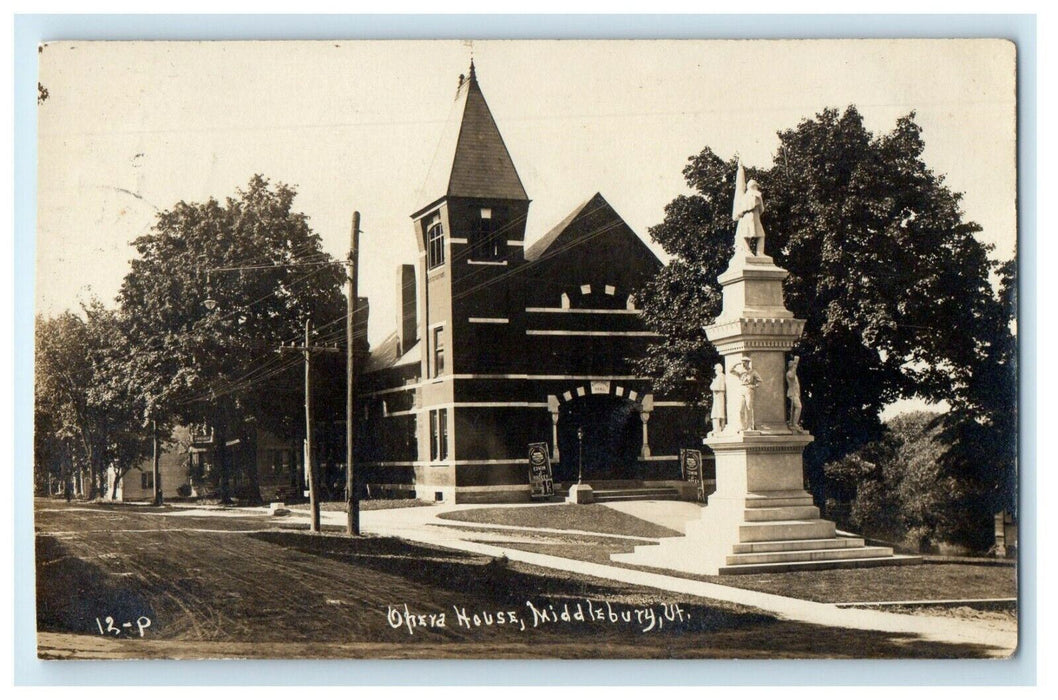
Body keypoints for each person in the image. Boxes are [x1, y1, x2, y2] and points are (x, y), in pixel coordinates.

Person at [731, 160, 766, 256]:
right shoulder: (751, 195)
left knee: (760, 235)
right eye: (755, 186)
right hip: (748, 217)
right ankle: (747, 251)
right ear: (753, 186)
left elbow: (761, 209)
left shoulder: (755, 195)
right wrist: (741, 170)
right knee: (747, 234)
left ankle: (759, 253)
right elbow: (752, 205)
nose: (757, 188)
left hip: (755, 217)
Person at [729, 358, 763, 432]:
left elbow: (760, 380)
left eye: (745, 363)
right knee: (740, 409)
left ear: (748, 363)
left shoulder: (753, 372)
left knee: (749, 408)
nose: (743, 365)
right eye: (742, 363)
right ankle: (742, 426)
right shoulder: (741, 372)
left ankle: (750, 426)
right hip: (741, 389)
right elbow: (730, 371)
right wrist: (736, 364)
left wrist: (754, 386)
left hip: (749, 389)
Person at [786, 355, 804, 433]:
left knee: (796, 408)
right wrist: (796, 364)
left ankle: (794, 423)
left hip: (795, 393)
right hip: (792, 393)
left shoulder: (792, 373)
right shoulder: (789, 373)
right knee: (799, 407)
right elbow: (792, 376)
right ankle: (794, 423)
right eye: (793, 365)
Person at [709, 362, 726, 435]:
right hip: (717, 397)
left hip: (719, 396)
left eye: (715, 369)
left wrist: (713, 384)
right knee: (717, 413)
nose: (715, 371)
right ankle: (718, 428)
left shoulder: (721, 377)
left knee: (718, 413)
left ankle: (719, 428)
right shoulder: (719, 377)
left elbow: (715, 387)